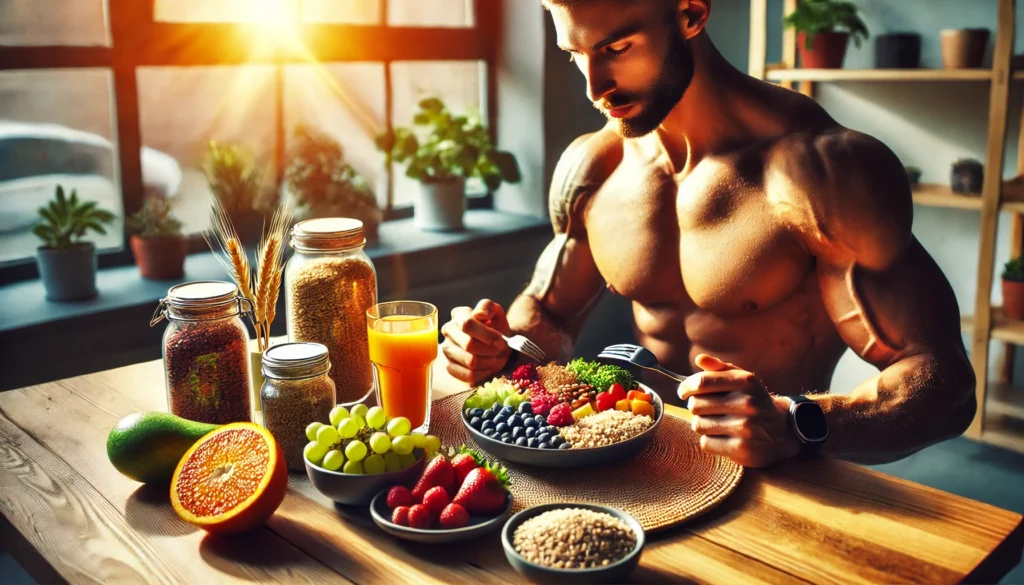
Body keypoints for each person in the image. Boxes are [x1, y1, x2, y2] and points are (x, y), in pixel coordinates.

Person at [440, 0, 975, 468]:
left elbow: (944, 386)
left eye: (617, 47)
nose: (594, 87)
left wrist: (794, 425)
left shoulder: (819, 172)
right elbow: (549, 316)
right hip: (634, 457)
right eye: (575, 54)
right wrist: (496, 346)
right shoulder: (594, 166)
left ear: (691, 12)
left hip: (777, 474)